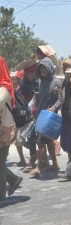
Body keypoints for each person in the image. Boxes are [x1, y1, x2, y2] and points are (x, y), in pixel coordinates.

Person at [31, 57, 62, 177]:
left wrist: (53, 108)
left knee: (41, 141)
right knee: (49, 142)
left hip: (49, 117)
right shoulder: (40, 81)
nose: (43, 70)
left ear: (49, 68)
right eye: (41, 68)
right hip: (40, 115)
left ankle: (38, 167)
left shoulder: (57, 82)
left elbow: (60, 99)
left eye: (45, 68)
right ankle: (55, 164)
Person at [0, 56, 23, 201]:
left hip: (3, 132)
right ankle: (13, 179)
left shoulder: (4, 88)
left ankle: (1, 196)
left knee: (0, 163)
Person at [60, 59, 71, 159]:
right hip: (65, 115)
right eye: (65, 68)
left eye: (68, 68)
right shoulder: (64, 83)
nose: (66, 70)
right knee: (64, 142)